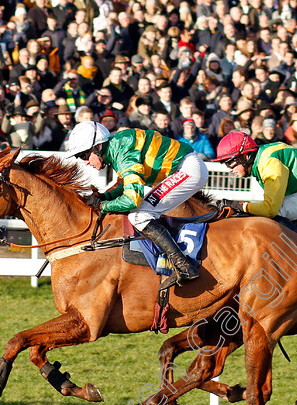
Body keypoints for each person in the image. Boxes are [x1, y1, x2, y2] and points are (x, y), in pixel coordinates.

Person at [61, 121, 208, 290]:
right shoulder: (118, 148)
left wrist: (103, 205)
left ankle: (182, 265)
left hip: (187, 169)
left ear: (98, 147)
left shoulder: (122, 152)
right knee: (142, 213)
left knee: (140, 215)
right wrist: (105, 197)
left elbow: (132, 199)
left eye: (85, 156)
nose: (85, 162)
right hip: (183, 168)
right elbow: (127, 185)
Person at [212, 130, 297, 221]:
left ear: (245, 156)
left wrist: (239, 205)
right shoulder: (262, 156)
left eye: (230, 163)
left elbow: (270, 209)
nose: (229, 169)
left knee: (278, 212)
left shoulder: (269, 163)